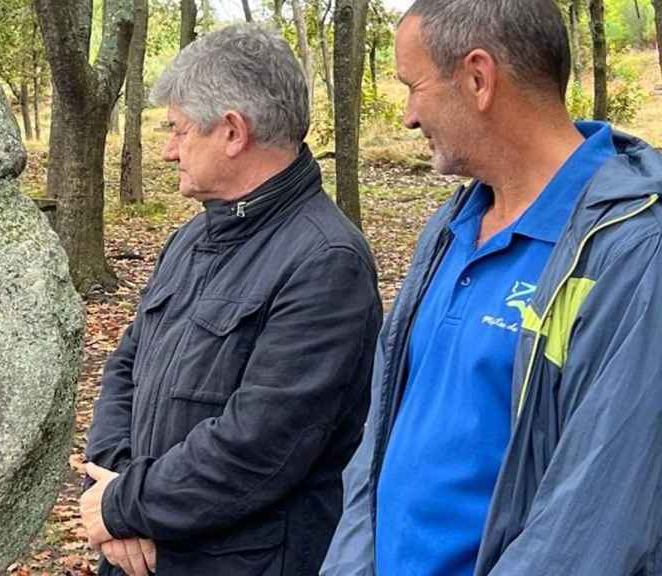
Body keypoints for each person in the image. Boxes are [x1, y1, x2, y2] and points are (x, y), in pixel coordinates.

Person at [321, 1, 662, 575]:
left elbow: (595, 520)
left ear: (478, 78)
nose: (406, 116)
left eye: (414, 86)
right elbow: (380, 433)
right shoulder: (452, 224)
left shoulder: (631, 251)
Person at [79, 23, 383, 576]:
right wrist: (110, 483)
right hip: (145, 553)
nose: (168, 152)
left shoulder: (325, 261)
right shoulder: (194, 237)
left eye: (177, 131)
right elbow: (125, 366)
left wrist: (124, 505)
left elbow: (261, 446)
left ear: (233, 132)